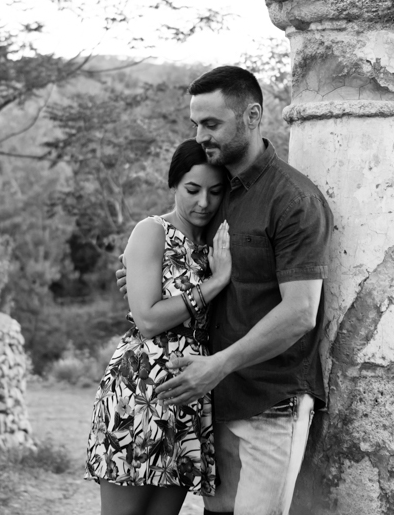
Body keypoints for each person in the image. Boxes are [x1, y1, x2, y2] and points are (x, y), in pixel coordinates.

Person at [119, 65, 333, 515]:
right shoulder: (215, 193)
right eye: (196, 123)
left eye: (211, 123)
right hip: (212, 404)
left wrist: (216, 366)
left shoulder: (294, 200)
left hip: (271, 403)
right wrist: (137, 276)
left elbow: (300, 312)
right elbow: (173, 258)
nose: (201, 134)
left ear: (253, 116)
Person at [85, 139, 233, 515]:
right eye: (192, 190)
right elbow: (149, 321)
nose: (203, 202)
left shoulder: (217, 242)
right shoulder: (152, 231)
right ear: (174, 185)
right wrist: (215, 284)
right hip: (140, 392)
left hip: (189, 399)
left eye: (215, 192)